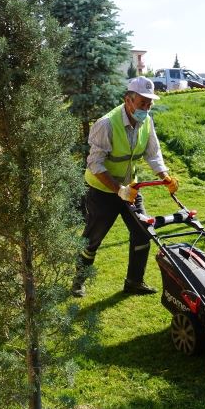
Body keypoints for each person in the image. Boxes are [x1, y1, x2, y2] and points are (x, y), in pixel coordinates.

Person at [71, 76, 179, 297]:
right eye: (142, 103)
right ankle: (78, 282)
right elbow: (94, 163)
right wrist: (117, 189)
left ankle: (134, 282)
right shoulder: (107, 124)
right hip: (102, 191)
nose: (146, 108)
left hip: (131, 188)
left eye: (150, 104)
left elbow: (153, 152)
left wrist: (165, 176)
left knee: (142, 232)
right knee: (92, 239)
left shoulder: (146, 121)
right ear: (128, 100)